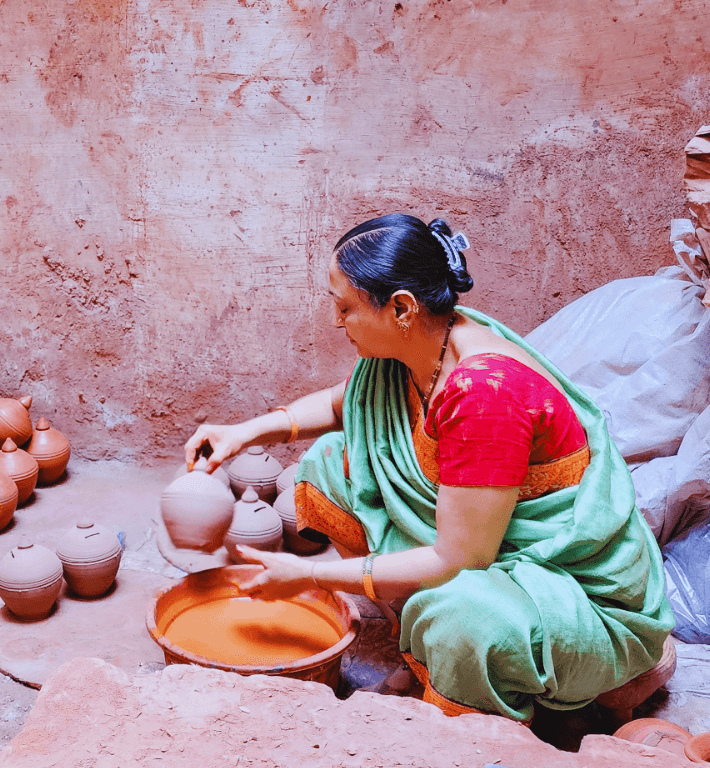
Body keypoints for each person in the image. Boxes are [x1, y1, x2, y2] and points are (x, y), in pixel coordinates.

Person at [184, 213, 674, 722]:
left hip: (574, 590)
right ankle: (418, 653)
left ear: (400, 307)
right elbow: (346, 404)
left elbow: (458, 560)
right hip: (483, 541)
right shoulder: (424, 339)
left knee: (459, 616)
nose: (335, 321)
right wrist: (244, 432)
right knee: (330, 465)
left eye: (345, 306)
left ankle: (487, 694)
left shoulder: (483, 393)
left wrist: (310, 573)